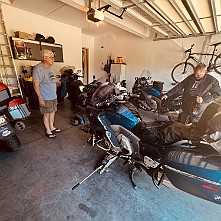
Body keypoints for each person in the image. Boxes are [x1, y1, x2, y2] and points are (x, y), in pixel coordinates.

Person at [33, 49, 61, 138]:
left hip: (53, 95)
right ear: (45, 58)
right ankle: (48, 130)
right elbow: (35, 85)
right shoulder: (38, 68)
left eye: (53, 57)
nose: (53, 59)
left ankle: (52, 127)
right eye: (51, 57)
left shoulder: (50, 67)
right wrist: (40, 98)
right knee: (47, 114)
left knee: (52, 112)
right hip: (45, 97)